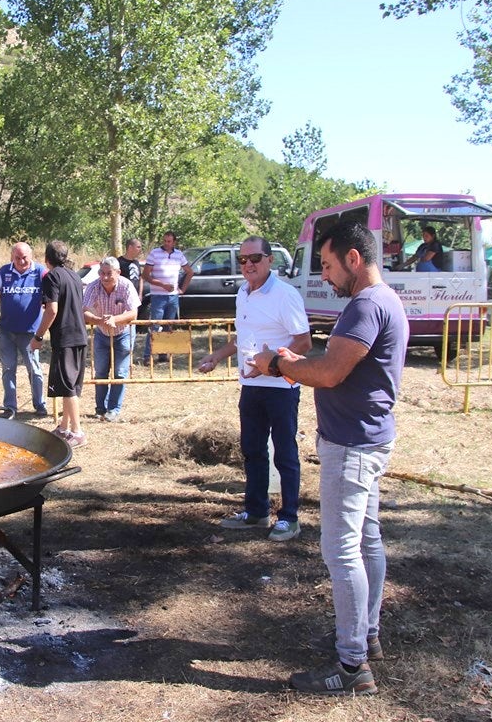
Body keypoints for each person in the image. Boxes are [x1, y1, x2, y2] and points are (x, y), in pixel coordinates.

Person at [249, 220, 408, 697]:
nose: (325, 275)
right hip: (369, 438)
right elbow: (339, 363)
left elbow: (333, 372)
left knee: (341, 551)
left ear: (353, 260)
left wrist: (278, 365)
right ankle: (367, 637)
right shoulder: (383, 301)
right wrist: (295, 362)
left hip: (352, 445)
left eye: (327, 264)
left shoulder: (365, 306)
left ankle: (353, 665)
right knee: (368, 540)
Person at [198, 237, 311, 543]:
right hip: (250, 386)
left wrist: (270, 364)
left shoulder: (285, 295)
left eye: (255, 258)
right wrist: (217, 356)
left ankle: (289, 517)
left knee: (285, 453)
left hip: (280, 388)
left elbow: (303, 342)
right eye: (242, 260)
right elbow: (242, 338)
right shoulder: (243, 293)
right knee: (252, 449)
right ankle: (256, 512)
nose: (248, 265)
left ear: (270, 260)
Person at [0, 242, 48, 418]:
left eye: (25, 258)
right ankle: (10, 407)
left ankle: (40, 404)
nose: (21, 262)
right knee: (8, 369)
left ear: (31, 256)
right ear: (11, 257)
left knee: (34, 369)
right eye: (17, 258)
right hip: (7, 331)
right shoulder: (3, 272)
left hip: (30, 332)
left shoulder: (41, 272)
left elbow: (51, 299)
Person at [32, 240, 87, 446]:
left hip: (66, 338)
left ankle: (78, 432)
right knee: (69, 386)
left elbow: (52, 310)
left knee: (68, 386)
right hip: (80, 336)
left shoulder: (52, 277)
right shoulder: (74, 275)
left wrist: (38, 337)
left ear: (47, 260)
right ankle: (64, 428)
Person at [82, 256, 140, 423]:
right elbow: (84, 310)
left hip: (124, 333)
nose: (105, 277)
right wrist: (98, 320)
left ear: (118, 272)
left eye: (109, 273)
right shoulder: (94, 286)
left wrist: (115, 319)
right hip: (101, 333)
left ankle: (113, 409)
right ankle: (100, 408)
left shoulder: (126, 285)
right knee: (100, 372)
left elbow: (133, 313)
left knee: (120, 374)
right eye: (102, 273)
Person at [140, 231, 193, 364]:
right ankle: (148, 355)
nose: (166, 244)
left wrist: (182, 289)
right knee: (155, 325)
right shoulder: (154, 253)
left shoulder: (179, 254)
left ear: (174, 242)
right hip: (158, 295)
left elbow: (189, 272)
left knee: (169, 326)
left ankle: (163, 353)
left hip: (173, 296)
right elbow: (145, 275)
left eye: (169, 241)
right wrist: (162, 284)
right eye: (164, 241)